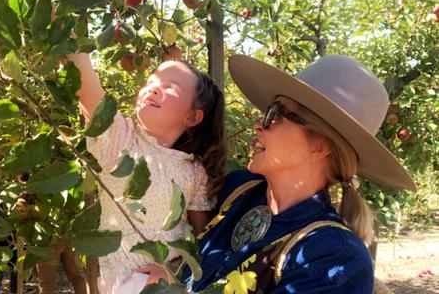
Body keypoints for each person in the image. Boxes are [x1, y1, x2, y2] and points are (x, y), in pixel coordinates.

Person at [144, 54, 415, 293]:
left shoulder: (332, 255)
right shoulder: (237, 191)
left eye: (277, 114)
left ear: (320, 144)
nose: (260, 125)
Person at [67, 52, 225, 294]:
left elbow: (203, 243)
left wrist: (173, 275)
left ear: (192, 117)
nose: (153, 89)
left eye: (170, 87)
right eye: (150, 82)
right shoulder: (122, 140)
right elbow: (86, 85)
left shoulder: (195, 172)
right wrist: (69, 32)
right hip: (125, 286)